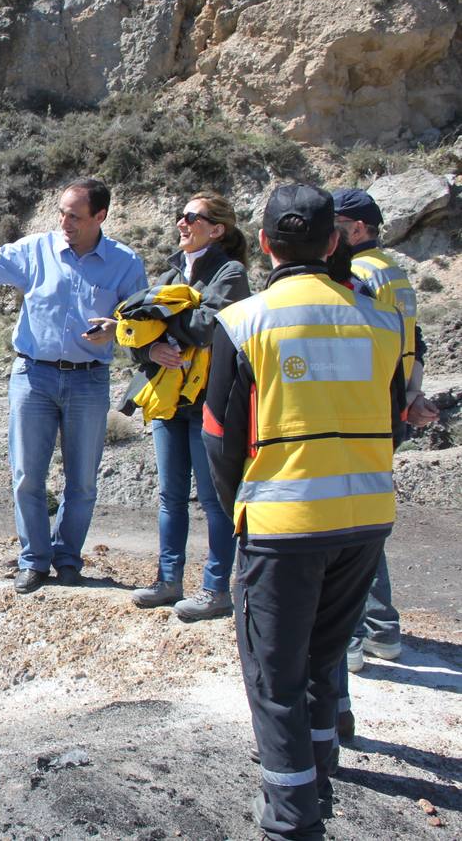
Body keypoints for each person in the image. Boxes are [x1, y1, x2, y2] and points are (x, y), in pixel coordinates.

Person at [204, 183, 406, 841]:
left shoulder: (243, 322)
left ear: (264, 245)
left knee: (274, 676)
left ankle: (291, 820)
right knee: (323, 658)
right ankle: (320, 770)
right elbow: (394, 416)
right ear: (333, 242)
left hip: (283, 524)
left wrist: (246, 507)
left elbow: (219, 440)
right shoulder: (380, 320)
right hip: (368, 516)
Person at [0, 178, 147, 594]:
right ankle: (34, 560)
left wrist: (118, 327)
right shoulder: (36, 249)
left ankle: (68, 559)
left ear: (100, 216)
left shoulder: (126, 263)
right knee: (26, 477)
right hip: (33, 376)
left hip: (89, 381)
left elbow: (142, 318)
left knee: (83, 482)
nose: (64, 222)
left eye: (74, 215)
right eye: (61, 212)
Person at [122, 192, 251, 619]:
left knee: (214, 500)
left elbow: (204, 327)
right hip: (169, 398)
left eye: (191, 217)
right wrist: (152, 348)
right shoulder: (172, 271)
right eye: (181, 216)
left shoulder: (230, 273)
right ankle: (167, 580)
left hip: (207, 400)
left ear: (217, 229)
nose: (181, 222)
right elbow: (136, 331)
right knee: (170, 496)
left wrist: (159, 317)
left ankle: (216, 590)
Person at [331, 189, 440, 673]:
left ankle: (352, 637)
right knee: (365, 515)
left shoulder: (357, 274)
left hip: (362, 411)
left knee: (345, 522)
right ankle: (382, 629)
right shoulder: (395, 272)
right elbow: (413, 340)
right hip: (389, 408)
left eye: (332, 224)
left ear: (355, 229)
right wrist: (413, 396)